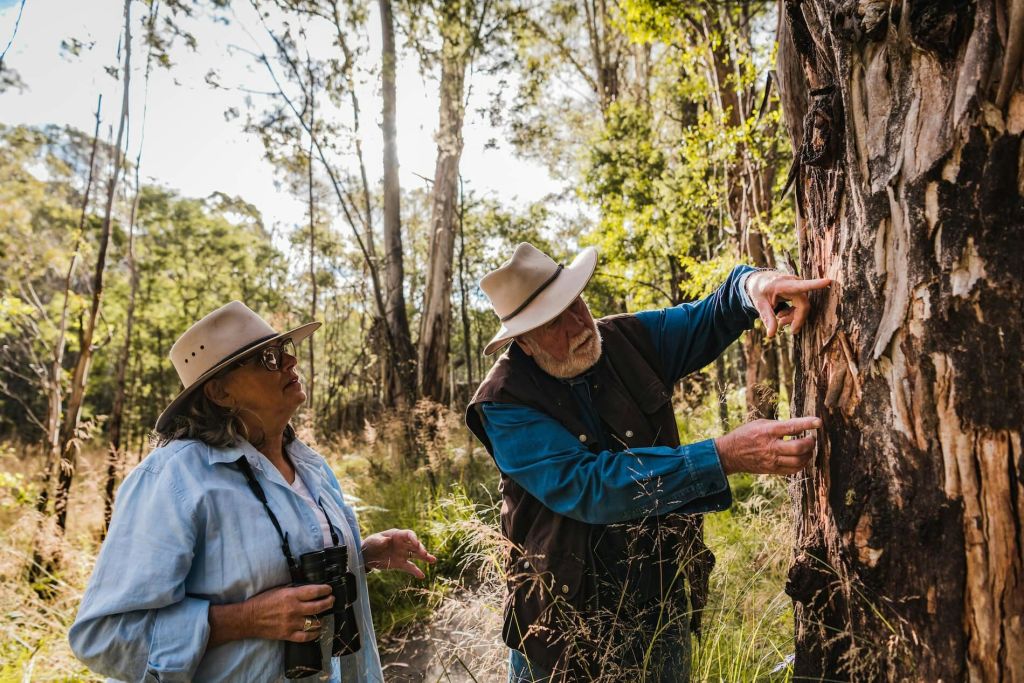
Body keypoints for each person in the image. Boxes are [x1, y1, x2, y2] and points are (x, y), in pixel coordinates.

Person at [466, 243, 831, 681]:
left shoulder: (625, 340)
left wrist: (755, 284)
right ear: (522, 342)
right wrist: (723, 455)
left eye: (574, 303)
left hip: (661, 602)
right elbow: (591, 486)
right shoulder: (503, 401)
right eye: (553, 322)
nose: (578, 323)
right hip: (562, 625)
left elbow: (711, 314)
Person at [70, 301, 436, 682]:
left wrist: (363, 557)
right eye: (267, 359)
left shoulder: (311, 465)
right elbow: (104, 638)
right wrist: (244, 620)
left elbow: (285, 572)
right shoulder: (176, 479)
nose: (290, 364)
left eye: (284, 352)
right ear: (219, 392)